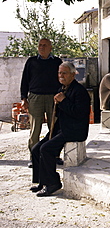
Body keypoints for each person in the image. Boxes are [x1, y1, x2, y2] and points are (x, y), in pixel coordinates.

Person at [30, 62, 91, 196]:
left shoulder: (80, 91)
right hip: (62, 128)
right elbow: (59, 113)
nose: (61, 76)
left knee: (46, 149)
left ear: (73, 74)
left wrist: (63, 101)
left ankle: (53, 183)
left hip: (74, 130)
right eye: (59, 73)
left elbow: (79, 113)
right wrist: (57, 104)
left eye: (64, 73)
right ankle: (42, 181)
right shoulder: (61, 89)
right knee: (36, 149)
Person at [20, 38, 63, 168]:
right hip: (35, 98)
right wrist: (23, 98)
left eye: (45, 45)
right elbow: (24, 81)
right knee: (35, 130)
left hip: (53, 98)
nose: (42, 47)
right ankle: (34, 158)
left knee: (54, 128)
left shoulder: (57, 62)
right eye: (40, 45)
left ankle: (54, 156)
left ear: (50, 47)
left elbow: (62, 79)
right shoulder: (31, 61)